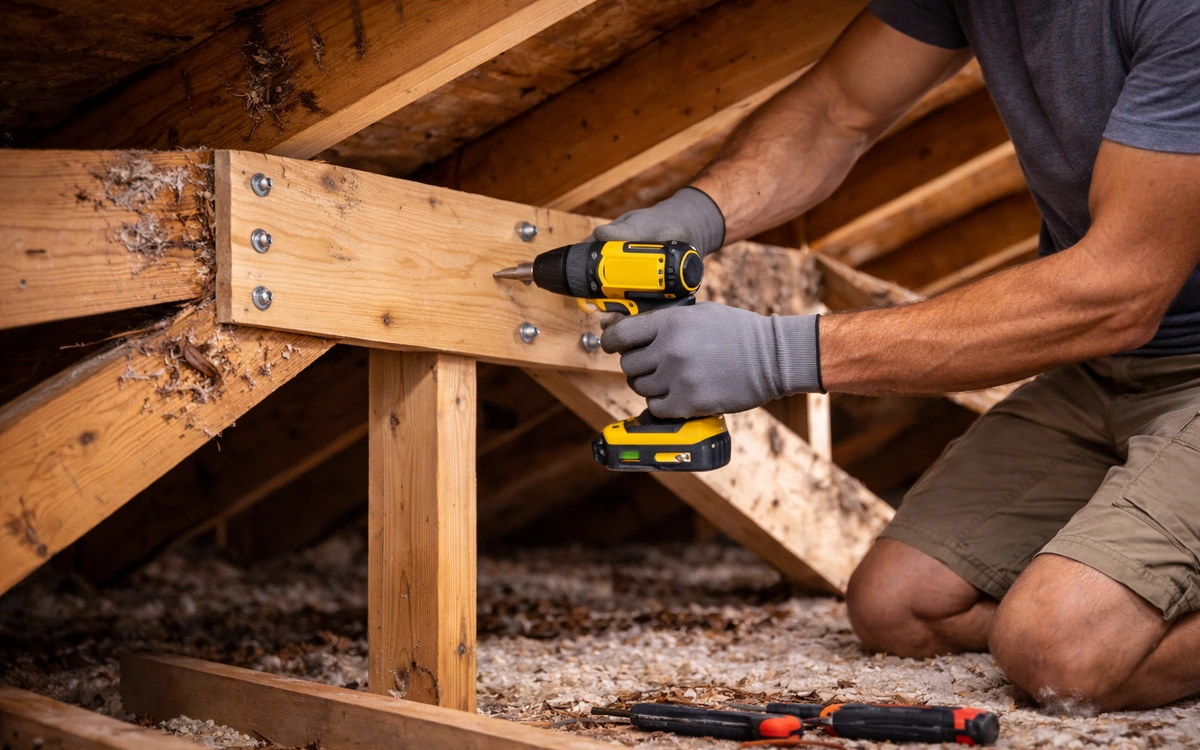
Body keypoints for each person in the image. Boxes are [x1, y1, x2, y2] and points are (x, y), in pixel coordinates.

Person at [591, 1, 1200, 711]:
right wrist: (696, 212)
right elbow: (837, 107)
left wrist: (777, 353)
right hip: (1105, 373)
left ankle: (1085, 626)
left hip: (1140, 332)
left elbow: (1120, 291)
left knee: (1058, 652)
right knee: (898, 605)